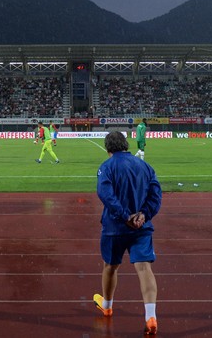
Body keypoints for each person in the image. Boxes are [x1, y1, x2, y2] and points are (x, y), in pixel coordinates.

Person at [93, 131, 162, 335]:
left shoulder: (107, 167)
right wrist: (143, 215)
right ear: (126, 145)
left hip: (115, 228)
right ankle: (151, 315)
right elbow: (156, 195)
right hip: (141, 227)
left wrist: (126, 216)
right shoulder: (145, 166)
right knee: (144, 269)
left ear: (108, 149)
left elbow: (106, 195)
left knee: (110, 267)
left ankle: (107, 305)